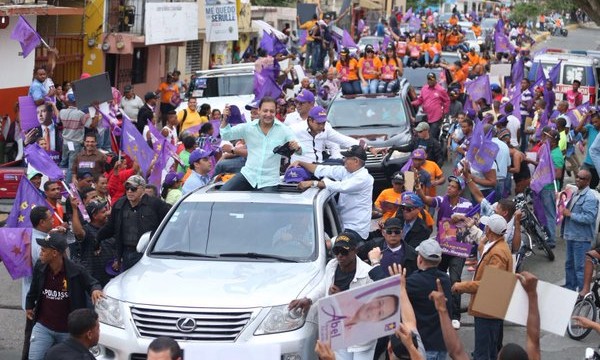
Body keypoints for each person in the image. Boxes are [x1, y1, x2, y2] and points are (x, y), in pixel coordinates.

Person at [288, 232, 377, 360]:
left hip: (361, 336)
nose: (340, 256)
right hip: (338, 330)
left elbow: (372, 309)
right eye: (336, 251)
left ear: (355, 251)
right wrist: (308, 299)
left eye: (344, 252)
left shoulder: (368, 273)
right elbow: (323, 285)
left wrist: (342, 297)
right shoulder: (332, 266)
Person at [26, 232, 104, 360]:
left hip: (67, 332)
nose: (40, 253)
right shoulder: (40, 266)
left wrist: (95, 290)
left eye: (44, 250)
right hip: (43, 327)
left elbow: (92, 283)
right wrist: (29, 305)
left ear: (55, 253)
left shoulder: (76, 270)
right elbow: (34, 288)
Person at [452, 214, 513, 360]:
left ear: (489, 229)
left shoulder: (498, 252)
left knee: (482, 353)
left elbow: (488, 284)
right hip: (491, 307)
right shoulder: (497, 246)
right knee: (490, 350)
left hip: (488, 309)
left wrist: (461, 286)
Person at [415, 175, 472, 329]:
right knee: (435, 276)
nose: (449, 188)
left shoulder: (467, 205)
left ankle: (455, 315)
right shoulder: (442, 200)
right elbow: (428, 200)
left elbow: (472, 223)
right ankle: (434, 307)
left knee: (455, 279)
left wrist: (462, 219)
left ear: (459, 191)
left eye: (453, 187)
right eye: (449, 186)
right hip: (442, 247)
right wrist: (419, 190)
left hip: (458, 249)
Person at [292, 145, 374, 241]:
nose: (344, 160)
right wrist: (301, 163)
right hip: (340, 223)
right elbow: (323, 169)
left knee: (327, 246)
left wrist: (313, 183)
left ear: (356, 161)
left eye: (347, 158)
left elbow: (340, 186)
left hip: (355, 229)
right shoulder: (347, 171)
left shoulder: (363, 178)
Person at [220, 97, 300, 191]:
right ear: (259, 111)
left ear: (275, 112)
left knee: (267, 206)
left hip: (269, 181)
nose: (268, 114)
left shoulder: (283, 129)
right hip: (248, 176)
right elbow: (226, 135)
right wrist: (225, 120)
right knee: (222, 194)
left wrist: (297, 148)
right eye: (265, 111)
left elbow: (300, 149)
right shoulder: (249, 127)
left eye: (272, 111)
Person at [97, 175, 171, 271]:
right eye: (127, 188)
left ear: (143, 189)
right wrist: (97, 239)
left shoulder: (155, 204)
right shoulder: (120, 205)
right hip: (126, 253)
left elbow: (168, 225)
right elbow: (110, 227)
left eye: (133, 188)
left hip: (147, 253)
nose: (129, 191)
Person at [406, 239, 452, 360]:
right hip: (441, 345)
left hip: (424, 346)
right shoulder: (446, 280)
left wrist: (375, 264)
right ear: (440, 260)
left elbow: (393, 289)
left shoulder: (413, 282)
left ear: (420, 259)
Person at [562, 168, 598, 291]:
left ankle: (582, 293)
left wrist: (570, 215)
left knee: (580, 268)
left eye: (581, 178)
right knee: (569, 265)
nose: (577, 179)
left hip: (581, 238)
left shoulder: (590, 198)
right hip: (571, 235)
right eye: (577, 176)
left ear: (588, 181)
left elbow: (589, 218)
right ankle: (569, 289)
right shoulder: (576, 192)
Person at [289, 106, 362, 164]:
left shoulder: (326, 129)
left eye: (323, 123)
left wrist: (368, 147)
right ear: (310, 120)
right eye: (318, 123)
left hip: (319, 167)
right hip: (300, 168)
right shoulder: (295, 129)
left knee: (346, 164)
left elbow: (344, 140)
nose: (321, 126)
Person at [70, 199, 114, 287]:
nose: (107, 214)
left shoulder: (109, 228)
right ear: (94, 216)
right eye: (103, 212)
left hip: (111, 276)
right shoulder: (87, 230)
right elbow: (78, 232)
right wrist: (74, 209)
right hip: (94, 280)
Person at [59, 93, 99, 182]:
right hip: (75, 143)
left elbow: (58, 119)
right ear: (76, 101)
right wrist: (97, 112)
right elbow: (91, 125)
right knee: (71, 167)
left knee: (63, 163)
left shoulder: (62, 112)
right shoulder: (80, 114)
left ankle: (58, 182)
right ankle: (68, 188)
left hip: (65, 142)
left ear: (68, 101)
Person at [411, 72, 450, 141]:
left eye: (432, 79)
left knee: (432, 136)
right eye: (429, 79)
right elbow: (420, 100)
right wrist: (412, 103)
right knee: (424, 136)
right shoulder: (424, 88)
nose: (430, 81)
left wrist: (444, 112)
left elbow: (447, 101)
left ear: (435, 80)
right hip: (426, 117)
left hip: (436, 118)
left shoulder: (441, 90)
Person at [575, 112, 600, 189]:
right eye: (593, 122)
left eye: (596, 121)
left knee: (592, 187)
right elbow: (578, 129)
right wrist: (585, 116)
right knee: (580, 184)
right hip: (587, 163)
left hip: (597, 166)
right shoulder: (590, 128)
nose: (594, 124)